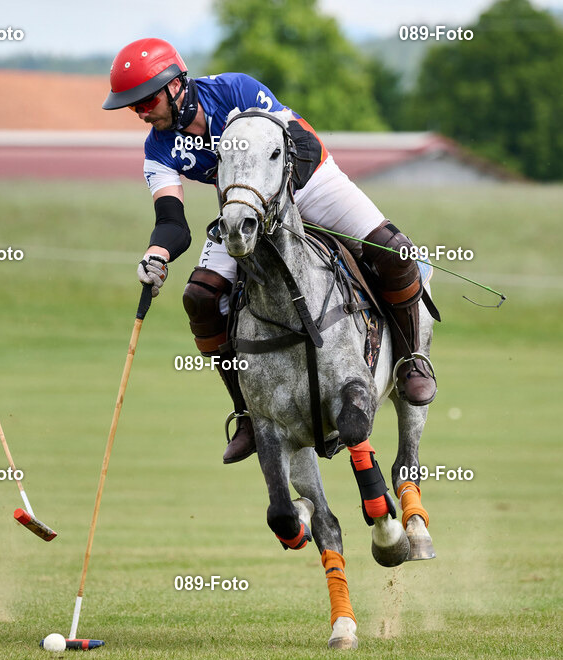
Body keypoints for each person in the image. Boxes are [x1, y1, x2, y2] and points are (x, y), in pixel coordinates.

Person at [102, 38, 437, 465]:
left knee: (396, 253)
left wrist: (276, 209)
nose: (141, 112)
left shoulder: (235, 91)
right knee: (200, 298)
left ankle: (411, 361)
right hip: (244, 210)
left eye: (145, 101)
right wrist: (157, 254)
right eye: (133, 107)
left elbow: (299, 142)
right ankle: (247, 412)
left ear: (176, 85)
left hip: (311, 183)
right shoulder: (158, 150)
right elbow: (172, 221)